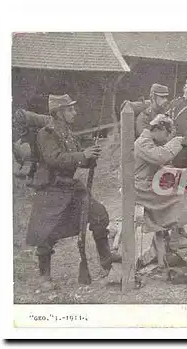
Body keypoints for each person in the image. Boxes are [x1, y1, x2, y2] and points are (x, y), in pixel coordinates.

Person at [25, 94, 121, 291]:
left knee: (99, 214)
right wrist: (82, 156)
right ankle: (44, 277)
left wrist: (89, 157)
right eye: (70, 109)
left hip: (71, 188)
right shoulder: (46, 133)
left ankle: (106, 261)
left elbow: (77, 159)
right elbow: (54, 159)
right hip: (50, 190)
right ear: (59, 113)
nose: (74, 112)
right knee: (46, 233)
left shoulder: (68, 133)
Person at [134, 114, 187, 268]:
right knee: (178, 195)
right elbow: (160, 157)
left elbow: (156, 162)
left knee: (180, 189)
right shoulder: (143, 142)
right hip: (139, 187)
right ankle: (177, 232)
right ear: (160, 129)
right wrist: (177, 142)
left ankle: (177, 229)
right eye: (167, 134)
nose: (167, 138)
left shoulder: (149, 140)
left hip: (146, 183)